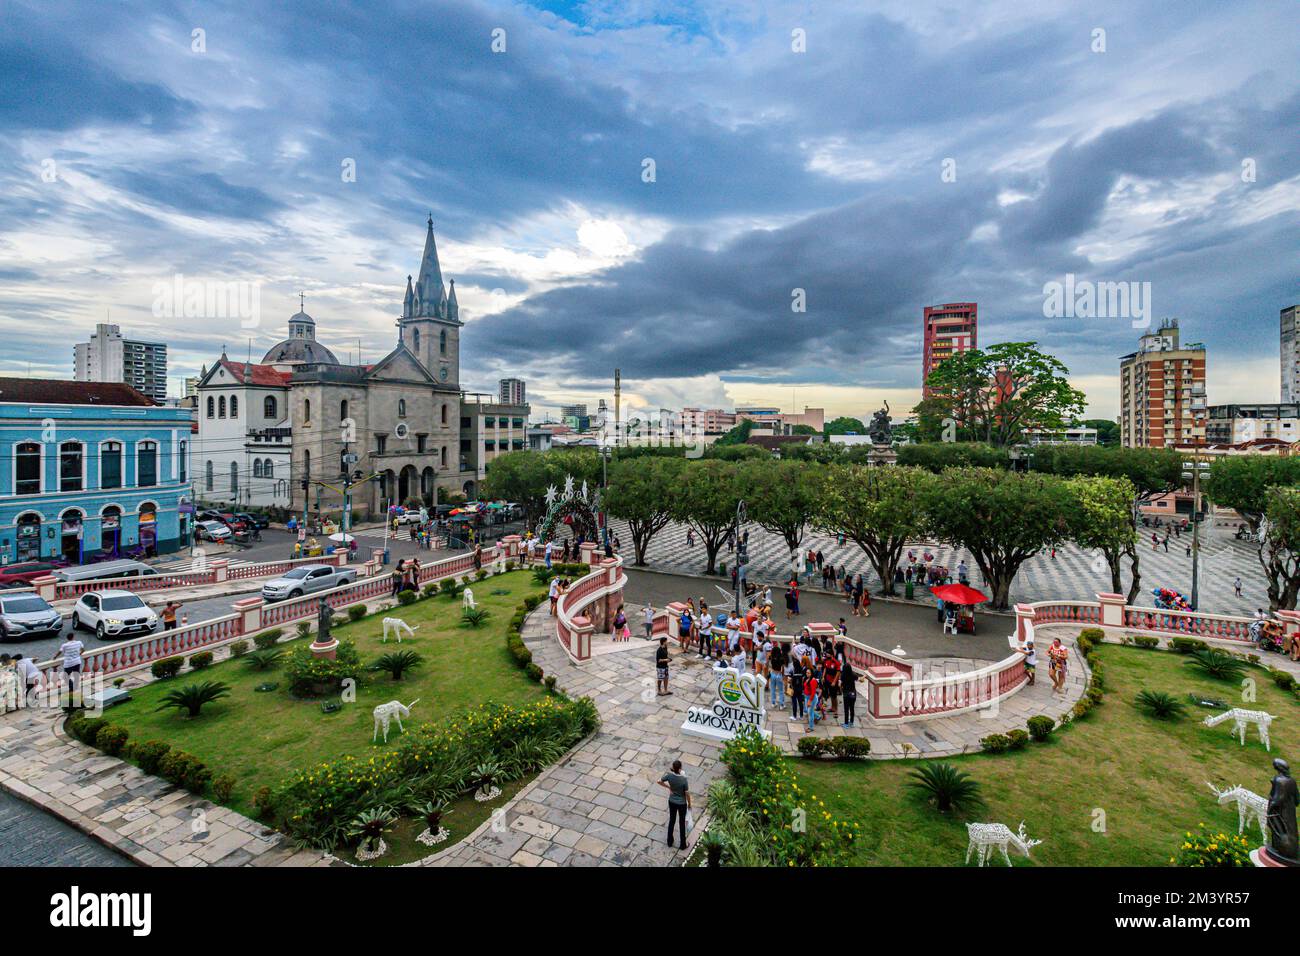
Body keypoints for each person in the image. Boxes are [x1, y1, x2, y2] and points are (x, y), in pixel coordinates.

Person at [659, 759, 692, 849]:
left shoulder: (669, 776)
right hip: (682, 804)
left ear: (673, 768)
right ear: (680, 768)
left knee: (672, 820)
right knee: (681, 823)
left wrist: (669, 787)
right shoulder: (683, 779)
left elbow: (659, 781)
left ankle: (669, 842)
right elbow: (687, 793)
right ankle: (682, 845)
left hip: (672, 802)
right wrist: (689, 803)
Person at [841, 659, 857, 728]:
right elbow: (857, 678)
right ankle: (851, 722)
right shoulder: (853, 674)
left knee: (846, 709)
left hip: (846, 693)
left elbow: (841, 684)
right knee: (852, 708)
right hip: (853, 693)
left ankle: (846, 723)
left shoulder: (843, 676)